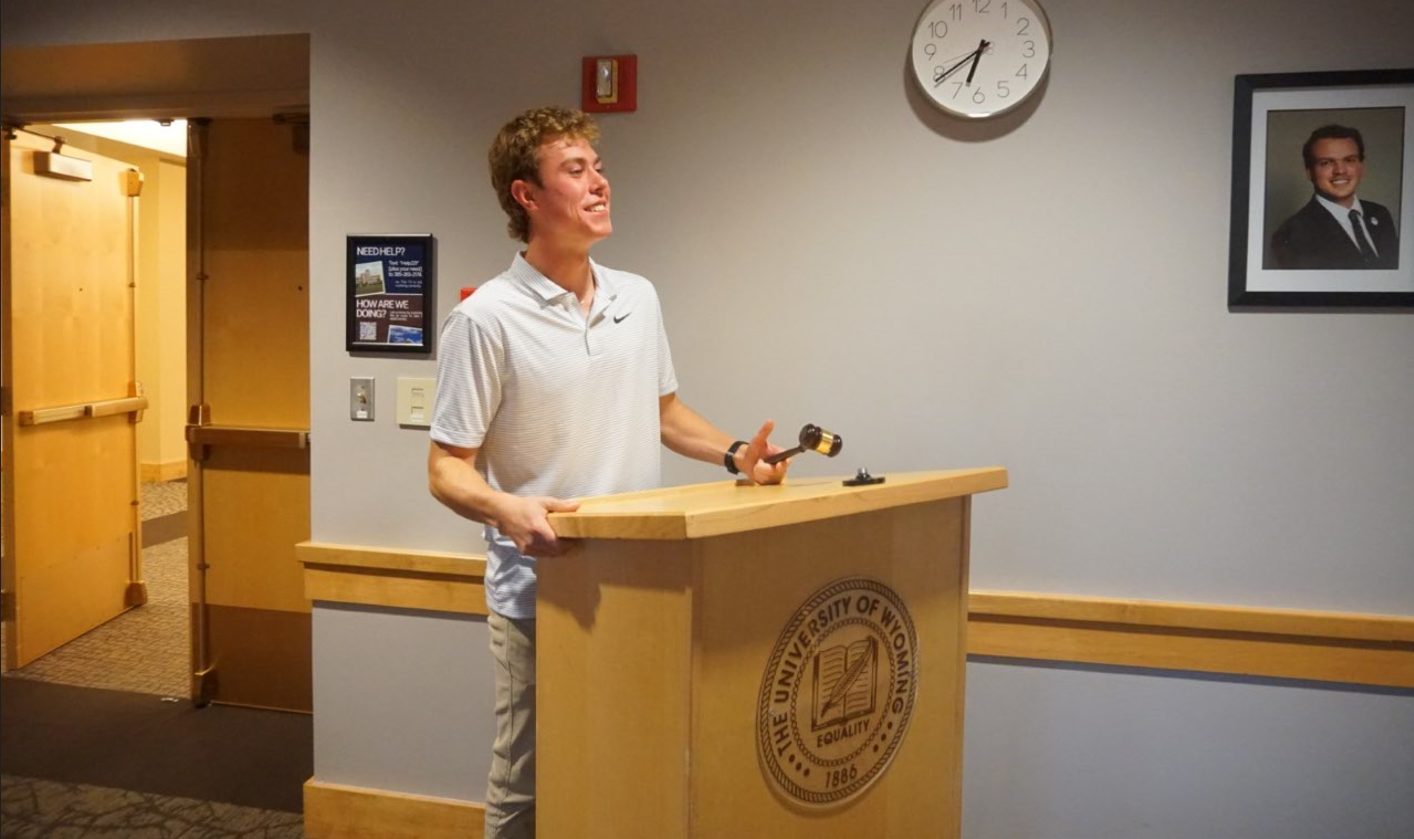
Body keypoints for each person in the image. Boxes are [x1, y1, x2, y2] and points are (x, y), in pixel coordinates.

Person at [426, 106, 788, 839]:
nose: (600, 182)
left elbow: (663, 411)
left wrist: (735, 456)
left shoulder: (638, 296)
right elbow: (444, 469)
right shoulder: (486, 320)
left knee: (635, 761)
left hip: (645, 586)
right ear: (527, 196)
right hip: (542, 595)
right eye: (576, 169)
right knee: (526, 782)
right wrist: (506, 509)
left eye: (598, 166)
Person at [1270, 124, 1400, 270]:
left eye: (1349, 160)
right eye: (1326, 163)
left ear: (1361, 166)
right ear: (1309, 172)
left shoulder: (1380, 214)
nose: (1340, 170)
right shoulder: (1292, 235)